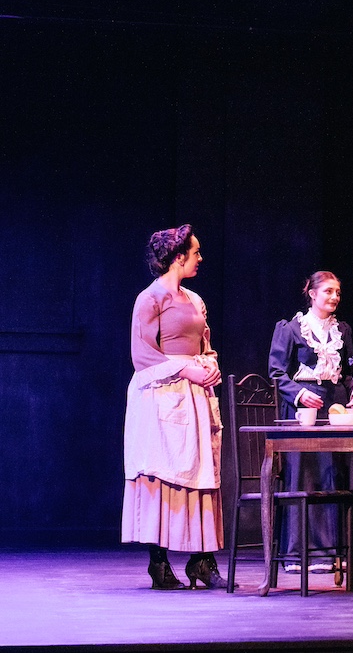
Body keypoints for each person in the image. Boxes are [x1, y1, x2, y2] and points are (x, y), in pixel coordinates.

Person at [122, 224, 229, 590]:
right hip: (160, 397)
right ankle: (159, 563)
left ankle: (202, 560)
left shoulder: (195, 299)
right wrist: (186, 368)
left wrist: (209, 364)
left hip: (196, 396)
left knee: (201, 476)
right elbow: (142, 355)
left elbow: (205, 344)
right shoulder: (150, 299)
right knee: (162, 475)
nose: (200, 258)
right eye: (195, 252)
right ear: (178, 257)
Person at [268, 271, 353, 573]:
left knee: (336, 474)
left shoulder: (342, 330)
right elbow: (276, 373)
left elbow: (348, 370)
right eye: (328, 292)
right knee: (307, 475)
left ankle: (340, 551)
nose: (335, 297)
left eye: (338, 292)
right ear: (311, 293)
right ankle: (303, 554)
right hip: (304, 409)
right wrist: (299, 395)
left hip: (335, 406)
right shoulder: (291, 328)